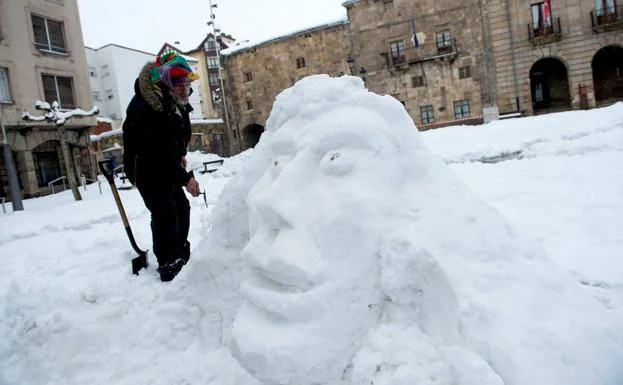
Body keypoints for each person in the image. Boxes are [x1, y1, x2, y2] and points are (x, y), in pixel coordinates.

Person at [122, 53, 201, 282]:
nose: (183, 89)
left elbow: (178, 135)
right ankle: (168, 261)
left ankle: (178, 251)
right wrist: (185, 178)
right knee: (164, 209)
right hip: (145, 167)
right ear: (163, 82)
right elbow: (157, 152)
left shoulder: (176, 103)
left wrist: (182, 155)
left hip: (166, 163)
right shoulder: (148, 107)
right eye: (177, 84)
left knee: (181, 206)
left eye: (186, 83)